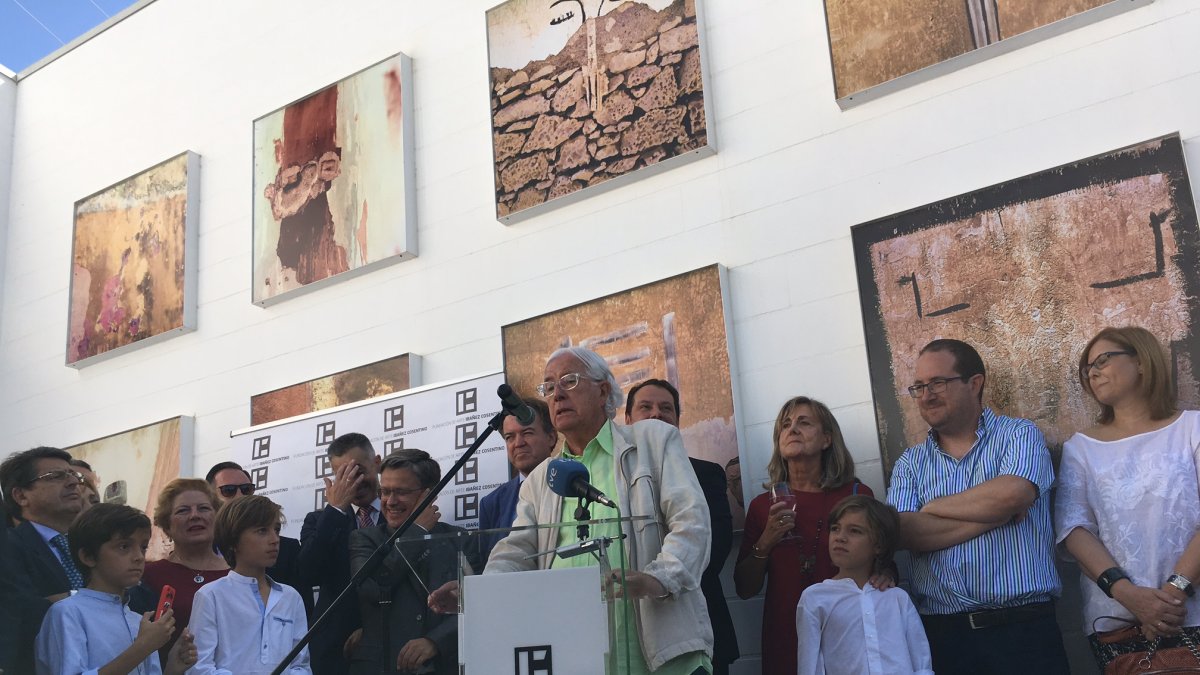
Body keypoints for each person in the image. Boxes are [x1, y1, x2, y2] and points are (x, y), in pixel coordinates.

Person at [440, 347, 713, 674]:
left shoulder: (653, 441)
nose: (556, 394)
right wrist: (482, 593)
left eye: (569, 381)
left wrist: (655, 579)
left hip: (660, 652)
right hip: (572, 652)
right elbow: (516, 550)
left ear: (602, 391)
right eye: (549, 386)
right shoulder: (542, 478)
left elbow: (691, 523)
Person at [887, 338, 1067, 675]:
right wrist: (997, 517)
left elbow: (1013, 494)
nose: (926, 395)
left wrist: (931, 509)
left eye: (938, 382)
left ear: (975, 383)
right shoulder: (910, 464)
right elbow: (904, 531)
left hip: (1025, 635)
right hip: (945, 640)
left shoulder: (1019, 435)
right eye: (919, 387)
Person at [1055, 326, 1200, 669]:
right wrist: (1131, 597)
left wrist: (1174, 592)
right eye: (1087, 368)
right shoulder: (1081, 448)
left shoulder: (1192, 429)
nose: (1092, 371)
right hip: (1118, 623)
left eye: (1103, 359)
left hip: (1191, 616)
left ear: (1142, 362)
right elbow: (1073, 529)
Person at [733, 396, 873, 675]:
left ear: (827, 440)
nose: (792, 429)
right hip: (786, 637)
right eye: (785, 425)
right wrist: (767, 539)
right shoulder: (762, 506)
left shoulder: (857, 496)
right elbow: (744, 589)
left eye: (804, 422)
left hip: (847, 636)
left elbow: (881, 567)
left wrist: (886, 574)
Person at [625, 378, 739, 675]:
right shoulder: (614, 480)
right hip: (631, 632)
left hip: (697, 628)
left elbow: (713, 551)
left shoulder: (706, 473)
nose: (656, 415)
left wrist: (661, 578)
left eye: (666, 408)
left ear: (677, 420)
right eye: (645, 407)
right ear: (627, 420)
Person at [349, 450, 477, 675]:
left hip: (446, 666)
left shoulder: (460, 540)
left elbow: (478, 605)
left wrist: (435, 641)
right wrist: (416, 533)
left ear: (430, 494)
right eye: (385, 492)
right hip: (384, 666)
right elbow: (373, 588)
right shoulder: (365, 539)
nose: (390, 501)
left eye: (401, 492)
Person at [34, 503, 198, 675]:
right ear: (88, 557)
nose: (138, 557)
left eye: (143, 547)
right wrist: (142, 647)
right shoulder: (68, 613)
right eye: (124, 546)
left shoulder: (137, 620)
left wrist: (173, 668)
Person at [796, 495, 932, 675]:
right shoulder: (815, 598)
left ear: (879, 545)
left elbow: (920, 659)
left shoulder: (897, 598)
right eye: (835, 529)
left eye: (854, 531)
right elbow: (810, 665)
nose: (840, 537)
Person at [190, 495, 311, 674]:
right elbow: (199, 667)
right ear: (233, 540)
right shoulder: (210, 595)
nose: (275, 539)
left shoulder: (291, 596)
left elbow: (301, 665)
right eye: (262, 531)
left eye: (276, 530)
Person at [297, 432, 382, 675]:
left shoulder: (399, 514)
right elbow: (308, 573)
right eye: (345, 475)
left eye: (359, 470)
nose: (355, 481)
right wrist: (335, 510)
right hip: (336, 652)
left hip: (392, 643)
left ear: (376, 463)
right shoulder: (320, 521)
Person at [0, 447, 87, 673]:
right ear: (21, 496)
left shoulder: (90, 545)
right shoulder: (9, 548)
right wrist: (89, 598)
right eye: (56, 476)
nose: (73, 483)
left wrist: (61, 599)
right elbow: (23, 612)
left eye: (73, 476)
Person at [206, 460, 313, 618]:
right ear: (210, 497)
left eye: (246, 489)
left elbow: (303, 617)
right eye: (228, 490)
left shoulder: (287, 550)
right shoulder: (200, 552)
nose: (240, 496)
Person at [142, 479, 230, 662]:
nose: (195, 516)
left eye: (204, 508)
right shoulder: (148, 575)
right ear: (167, 525)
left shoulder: (238, 574)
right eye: (183, 511)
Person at [479, 396, 557, 561]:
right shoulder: (492, 503)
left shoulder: (572, 483)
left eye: (527, 433)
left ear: (551, 437)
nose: (518, 443)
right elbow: (486, 564)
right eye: (510, 437)